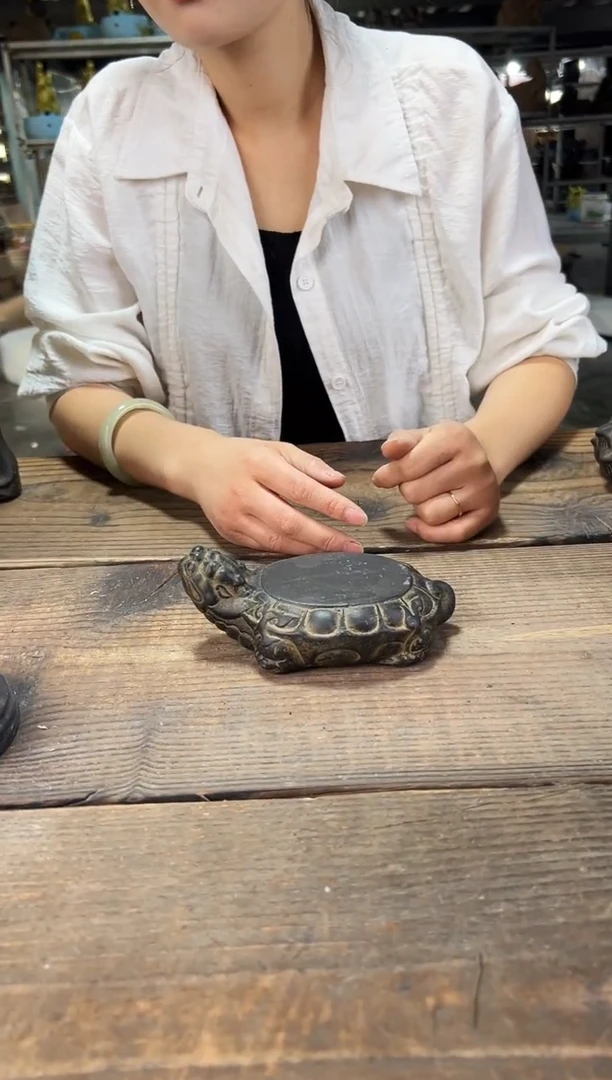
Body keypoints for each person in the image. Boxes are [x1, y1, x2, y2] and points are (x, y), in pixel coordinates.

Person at [20, 0, 605, 554]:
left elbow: (538, 337)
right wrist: (192, 459)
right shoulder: (111, 118)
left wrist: (487, 449)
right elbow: (77, 378)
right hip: (206, 562)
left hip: (429, 539)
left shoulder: (446, 93)